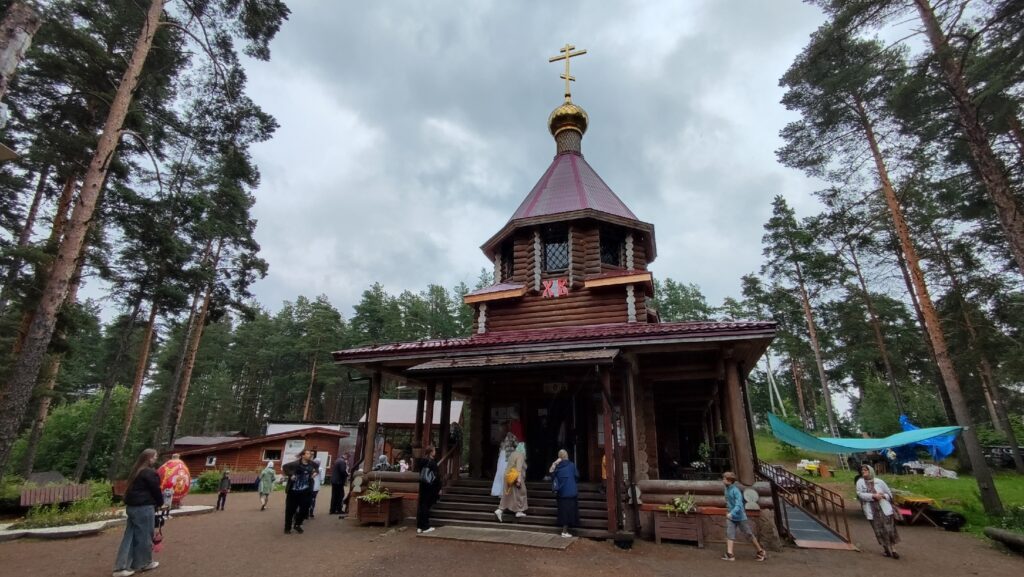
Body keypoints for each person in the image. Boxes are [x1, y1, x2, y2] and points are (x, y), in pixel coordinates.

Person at [113, 448, 164, 577]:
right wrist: (161, 503)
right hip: (144, 508)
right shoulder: (149, 473)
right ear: (149, 458)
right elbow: (156, 490)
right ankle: (144, 563)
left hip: (132, 507)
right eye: (155, 457)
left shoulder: (136, 471)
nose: (156, 459)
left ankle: (121, 567)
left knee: (130, 536)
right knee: (145, 536)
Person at [856, 464, 900, 559]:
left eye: (865, 470)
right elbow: (860, 494)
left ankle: (894, 550)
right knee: (878, 530)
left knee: (889, 529)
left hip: (884, 509)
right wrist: (873, 496)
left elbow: (889, 494)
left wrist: (883, 496)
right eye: (862, 470)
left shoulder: (879, 482)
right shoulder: (860, 482)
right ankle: (886, 550)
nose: (863, 471)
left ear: (870, 471)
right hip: (872, 510)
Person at [721, 471, 767, 562]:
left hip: (740, 516)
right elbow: (728, 502)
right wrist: (728, 511)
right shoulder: (726, 489)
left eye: (724, 479)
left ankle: (760, 551)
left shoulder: (736, 491)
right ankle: (730, 554)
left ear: (729, 481)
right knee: (730, 534)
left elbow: (739, 505)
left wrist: (732, 513)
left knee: (748, 534)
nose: (723, 480)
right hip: (731, 517)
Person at [282, 449, 317, 534]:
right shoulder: (295, 464)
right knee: (290, 510)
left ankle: (297, 524)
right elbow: (285, 467)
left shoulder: (312, 464)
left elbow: (317, 468)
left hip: (305, 491)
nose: (310, 455)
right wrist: (291, 475)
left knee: (305, 509)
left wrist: (315, 473)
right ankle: (287, 528)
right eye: (308, 453)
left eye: (310, 454)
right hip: (293, 491)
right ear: (303, 455)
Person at [549, 449, 579, 538]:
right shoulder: (571, 465)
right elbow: (577, 476)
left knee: (563, 512)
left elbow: (551, 475)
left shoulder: (557, 467)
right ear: (567, 455)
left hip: (561, 493)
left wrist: (555, 463)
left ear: (559, 457)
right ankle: (565, 531)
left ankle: (564, 530)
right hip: (571, 491)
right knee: (571, 511)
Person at [496, 442, 528, 522]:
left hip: (508, 476)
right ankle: (519, 511)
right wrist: (519, 480)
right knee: (521, 492)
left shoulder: (513, 454)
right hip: (515, 477)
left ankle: (500, 510)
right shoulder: (520, 455)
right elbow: (518, 469)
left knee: (508, 494)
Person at [416, 445, 441, 534]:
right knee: (426, 506)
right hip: (430, 487)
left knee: (422, 505)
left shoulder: (422, 461)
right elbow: (436, 477)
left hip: (422, 485)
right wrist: (439, 488)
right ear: (431, 452)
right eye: (434, 450)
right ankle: (425, 526)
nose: (435, 452)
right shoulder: (432, 463)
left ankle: (419, 526)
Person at [490, 431, 517, 497]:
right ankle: (499, 491)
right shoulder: (502, 441)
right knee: (500, 474)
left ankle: (506, 491)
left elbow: (517, 445)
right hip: (502, 457)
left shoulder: (512, 437)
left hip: (507, 457)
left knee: (505, 473)